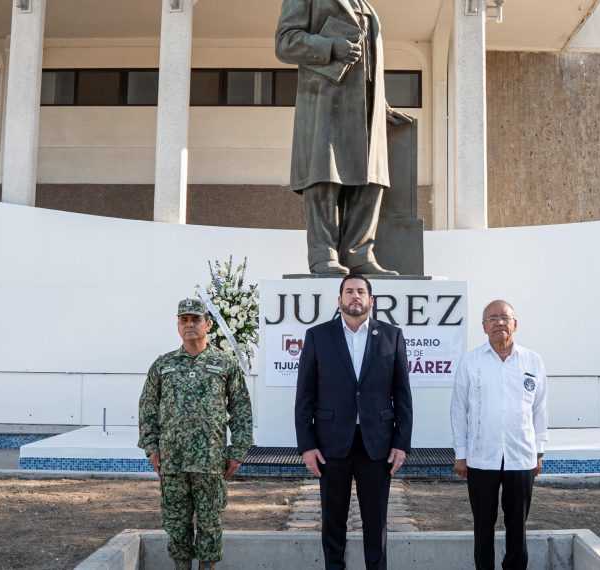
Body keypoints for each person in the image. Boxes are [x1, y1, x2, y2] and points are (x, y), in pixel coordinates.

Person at [275, 0, 414, 277]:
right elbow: (285, 42)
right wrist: (330, 46)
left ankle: (359, 254)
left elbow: (369, 62)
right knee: (325, 178)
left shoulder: (365, 5)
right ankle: (323, 255)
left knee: (370, 182)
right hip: (326, 102)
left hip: (365, 108)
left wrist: (381, 104)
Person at [294, 274, 413, 569]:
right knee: (333, 523)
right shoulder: (318, 336)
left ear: (371, 300)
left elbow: (402, 394)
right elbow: (304, 396)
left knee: (377, 523)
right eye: (349, 291)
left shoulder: (391, 335)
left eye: (361, 291)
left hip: (378, 444)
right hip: (331, 444)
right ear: (339, 300)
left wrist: (402, 443)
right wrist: (307, 446)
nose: (355, 296)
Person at [138, 298, 254, 570]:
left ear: (208, 324)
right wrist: (152, 448)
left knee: (210, 525)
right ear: (178, 325)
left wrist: (237, 453)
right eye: (183, 319)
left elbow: (241, 409)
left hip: (212, 463)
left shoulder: (224, 364)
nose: (189, 324)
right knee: (176, 526)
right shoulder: (163, 365)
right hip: (173, 461)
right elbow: (147, 408)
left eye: (195, 319)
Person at [449, 300, 549, 570]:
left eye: (505, 317)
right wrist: (461, 453)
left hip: (521, 457)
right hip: (482, 458)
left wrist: (538, 451)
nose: (499, 322)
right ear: (484, 327)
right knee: (483, 524)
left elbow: (540, 410)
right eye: (492, 318)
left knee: (518, 524)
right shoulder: (470, 361)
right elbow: (459, 409)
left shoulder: (532, 361)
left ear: (516, 324)